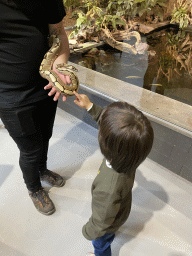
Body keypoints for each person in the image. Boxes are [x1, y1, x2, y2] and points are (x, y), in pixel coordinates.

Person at [0, 0, 71, 215]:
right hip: (10, 95)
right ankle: (34, 189)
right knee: (30, 149)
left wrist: (59, 65)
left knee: (45, 135)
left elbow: (58, 33)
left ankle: (42, 170)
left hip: (47, 86)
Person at [73, 91, 154, 256]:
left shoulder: (108, 188)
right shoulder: (131, 153)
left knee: (101, 245)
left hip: (107, 225)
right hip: (121, 210)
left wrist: (88, 231)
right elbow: (110, 127)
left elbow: (101, 221)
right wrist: (90, 107)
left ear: (107, 144)